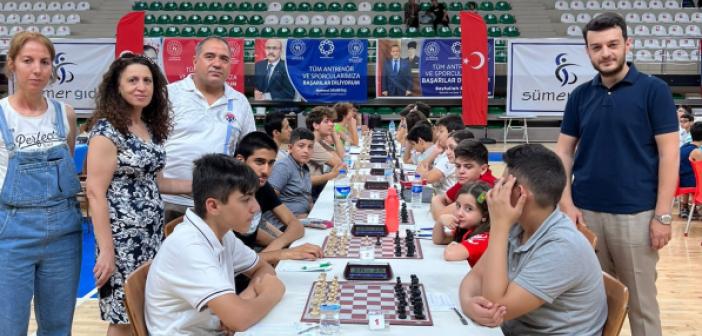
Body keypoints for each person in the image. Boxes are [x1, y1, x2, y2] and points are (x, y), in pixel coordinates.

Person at [555, 13, 678, 336]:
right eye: (596, 47)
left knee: (641, 306)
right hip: (586, 215)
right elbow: (564, 152)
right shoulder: (580, 96)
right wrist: (566, 205)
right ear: (587, 51)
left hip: (636, 216)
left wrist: (662, 216)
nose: (605, 53)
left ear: (627, 44)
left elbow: (668, 155)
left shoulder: (654, 90)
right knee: (590, 304)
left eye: (612, 45)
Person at [85, 53, 191, 335]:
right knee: (122, 316)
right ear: (117, 87)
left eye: (147, 81)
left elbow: (160, 183)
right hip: (121, 240)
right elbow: (95, 193)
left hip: (152, 236)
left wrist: (204, 184)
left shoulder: (151, 129)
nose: (141, 86)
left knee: (143, 310)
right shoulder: (107, 131)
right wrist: (107, 251)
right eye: (132, 80)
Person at [460, 144, 607, 334]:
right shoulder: (519, 224)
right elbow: (475, 277)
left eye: (502, 184)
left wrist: (499, 226)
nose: (495, 189)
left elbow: (494, 306)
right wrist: (467, 303)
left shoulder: (562, 247)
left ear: (520, 193)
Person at [145, 154, 285, 335]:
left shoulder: (223, 233)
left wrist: (245, 297)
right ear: (213, 206)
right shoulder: (189, 246)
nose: (256, 207)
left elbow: (263, 269)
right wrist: (272, 292)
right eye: (246, 199)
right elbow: (240, 319)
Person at [0, 31, 82, 336]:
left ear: (53, 68)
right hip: (11, 232)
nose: (37, 69)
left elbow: (67, 163)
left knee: (58, 327)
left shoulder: (66, 114)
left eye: (44, 62)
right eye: (28, 60)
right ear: (12, 65)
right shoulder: (1, 114)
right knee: (8, 327)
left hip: (64, 233)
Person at [162, 36, 256, 220]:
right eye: (210, 56)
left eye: (224, 59)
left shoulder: (240, 102)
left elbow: (250, 153)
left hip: (216, 204)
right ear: (195, 61)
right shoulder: (167, 95)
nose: (217, 63)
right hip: (168, 201)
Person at [233, 131, 322, 264]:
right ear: (240, 161)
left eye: (271, 163)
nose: (266, 171)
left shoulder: (262, 186)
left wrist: (278, 247)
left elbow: (296, 225)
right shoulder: (225, 194)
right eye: (259, 162)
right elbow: (233, 263)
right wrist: (282, 253)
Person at [431, 139, 497, 221]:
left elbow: (440, 217)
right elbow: (444, 199)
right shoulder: (468, 180)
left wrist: (435, 201)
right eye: (458, 166)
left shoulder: (486, 189)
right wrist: (437, 200)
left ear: (483, 169)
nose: (461, 171)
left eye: (468, 167)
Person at [432, 182, 491, 265]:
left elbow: (450, 254)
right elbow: (439, 240)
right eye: (458, 206)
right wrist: (440, 222)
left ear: (484, 215)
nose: (459, 213)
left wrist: (454, 245)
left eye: (468, 209)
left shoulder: (485, 237)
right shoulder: (468, 229)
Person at [268, 128, 315, 220]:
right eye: (301, 146)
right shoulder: (283, 167)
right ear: (290, 148)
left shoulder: (304, 168)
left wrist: (315, 216)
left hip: (304, 218)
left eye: (310, 147)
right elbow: (269, 201)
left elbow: (308, 198)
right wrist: (294, 219)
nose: (306, 151)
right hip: (283, 224)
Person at [416, 115, 465, 193]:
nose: (437, 134)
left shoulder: (452, 156)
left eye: (441, 131)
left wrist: (424, 173)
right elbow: (420, 168)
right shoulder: (443, 151)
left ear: (452, 133)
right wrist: (434, 153)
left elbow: (428, 178)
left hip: (446, 200)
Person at [306, 106, 345, 191]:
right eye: (326, 121)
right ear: (315, 125)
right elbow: (339, 164)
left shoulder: (319, 141)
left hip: (316, 188)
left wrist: (333, 132)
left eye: (332, 121)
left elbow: (341, 157)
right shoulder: (312, 143)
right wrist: (333, 132)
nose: (332, 124)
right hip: (311, 192)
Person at [679, 121, 702, 217]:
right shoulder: (696, 151)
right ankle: (698, 206)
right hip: (691, 182)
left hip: (681, 181)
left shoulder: (684, 147)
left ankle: (685, 207)